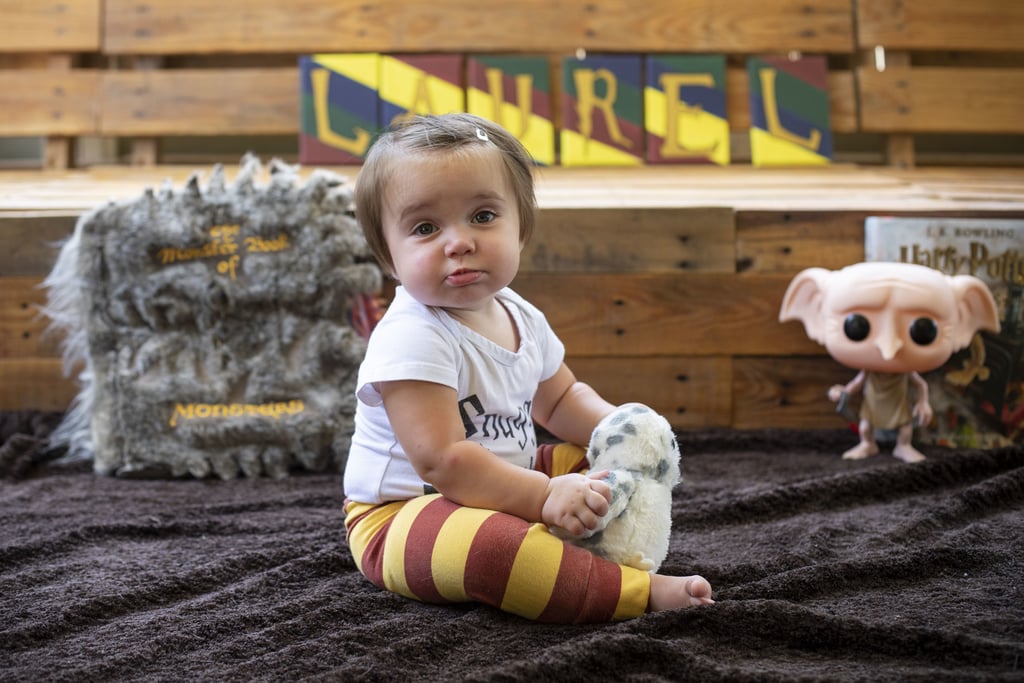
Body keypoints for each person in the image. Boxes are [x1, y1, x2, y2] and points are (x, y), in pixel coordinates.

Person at [343, 112, 713, 623]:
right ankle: (630, 589)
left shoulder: (520, 314)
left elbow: (560, 400)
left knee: (600, 463)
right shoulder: (413, 336)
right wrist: (543, 496)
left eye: (483, 216)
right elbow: (444, 461)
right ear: (388, 256)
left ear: (521, 228)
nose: (459, 242)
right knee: (493, 551)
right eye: (425, 228)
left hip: (510, 478)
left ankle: (603, 537)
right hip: (408, 513)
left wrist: (618, 431)